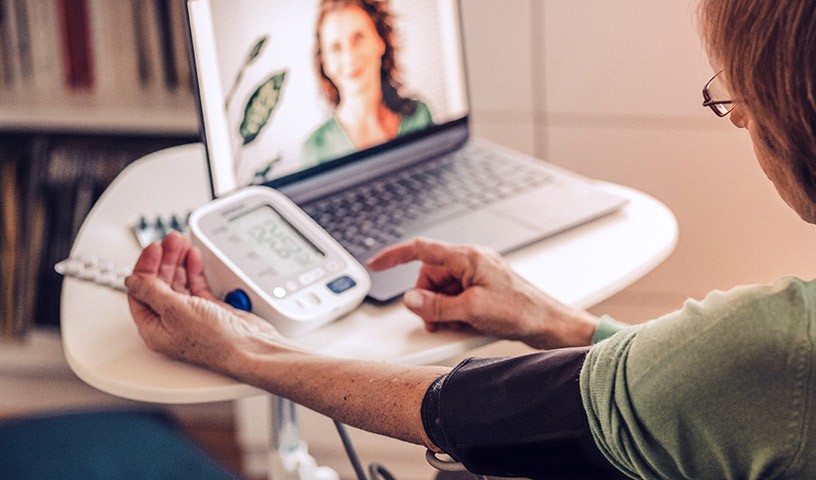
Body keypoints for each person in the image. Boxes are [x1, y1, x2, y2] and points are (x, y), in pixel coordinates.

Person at [126, 1, 816, 478]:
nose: (738, 121)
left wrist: (245, 348)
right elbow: (694, 395)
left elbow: (465, 413)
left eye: (740, 95)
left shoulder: (775, 348)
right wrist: (551, 320)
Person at [300, 0, 433, 166]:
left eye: (358, 38)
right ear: (324, 63)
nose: (350, 58)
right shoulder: (314, 151)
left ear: (381, 41)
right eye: (335, 48)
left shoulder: (418, 116)